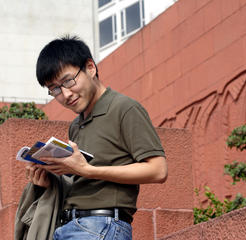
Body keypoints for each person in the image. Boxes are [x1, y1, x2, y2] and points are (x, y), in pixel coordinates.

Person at [26, 35, 167, 240]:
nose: (65, 94)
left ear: (90, 68)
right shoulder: (76, 125)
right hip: (68, 227)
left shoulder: (124, 108)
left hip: (102, 225)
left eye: (68, 81)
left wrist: (87, 170)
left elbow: (158, 170)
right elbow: (83, 181)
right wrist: (49, 180)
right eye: (55, 89)